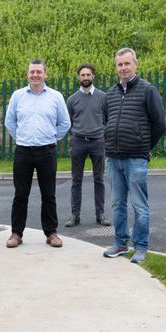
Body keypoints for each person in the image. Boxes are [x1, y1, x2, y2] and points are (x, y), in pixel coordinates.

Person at [102, 47, 166, 264]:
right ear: (116, 67)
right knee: (117, 204)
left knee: (139, 204)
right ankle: (120, 243)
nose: (123, 68)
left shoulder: (148, 90)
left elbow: (159, 123)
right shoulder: (110, 94)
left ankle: (141, 246)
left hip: (136, 158)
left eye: (127, 63)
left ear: (135, 64)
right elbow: (107, 121)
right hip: (113, 158)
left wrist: (145, 146)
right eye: (119, 64)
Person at [4, 59, 71, 248]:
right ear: (28, 74)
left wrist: (52, 137)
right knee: (20, 195)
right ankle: (16, 234)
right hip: (23, 151)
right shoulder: (18, 96)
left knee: (49, 194)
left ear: (45, 74)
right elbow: (10, 122)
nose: (35, 75)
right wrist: (22, 137)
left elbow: (65, 123)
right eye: (32, 72)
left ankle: (51, 233)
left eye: (38, 72)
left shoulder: (55, 97)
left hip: (47, 151)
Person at [65, 63, 110, 228]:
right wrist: (73, 136)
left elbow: (107, 119)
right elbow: (68, 121)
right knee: (76, 180)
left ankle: (100, 215)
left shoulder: (103, 97)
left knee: (99, 179)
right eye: (82, 75)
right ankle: (74, 216)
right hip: (78, 142)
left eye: (88, 75)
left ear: (93, 76)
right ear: (79, 77)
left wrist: (102, 135)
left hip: (98, 142)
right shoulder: (72, 99)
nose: (85, 78)